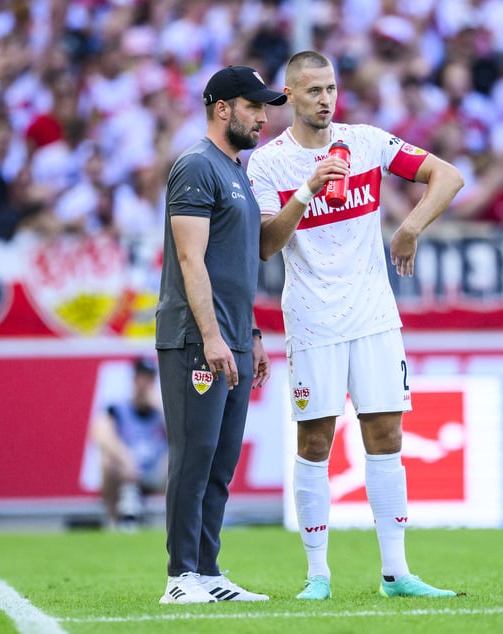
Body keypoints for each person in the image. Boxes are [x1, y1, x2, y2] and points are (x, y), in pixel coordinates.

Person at [248, 51, 465, 600]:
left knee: (386, 437)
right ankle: (317, 574)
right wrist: (309, 189)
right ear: (290, 96)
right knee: (316, 442)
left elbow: (449, 175)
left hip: (373, 315)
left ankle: (397, 573)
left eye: (331, 88)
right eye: (314, 90)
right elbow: (265, 245)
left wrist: (410, 227)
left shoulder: (366, 142)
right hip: (313, 320)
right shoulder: (268, 163)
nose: (325, 99)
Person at [154, 65, 280, 605]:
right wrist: (210, 335)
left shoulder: (236, 173)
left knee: (221, 463)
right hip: (195, 338)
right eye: (253, 106)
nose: (263, 117)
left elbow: (235, 265)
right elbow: (190, 259)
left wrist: (248, 330)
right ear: (222, 108)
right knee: (195, 455)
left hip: (231, 337)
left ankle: (207, 571)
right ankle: (180, 577)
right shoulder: (195, 167)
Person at [88, 357, 167, 531]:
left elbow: (180, 436)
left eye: (149, 378)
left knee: (179, 459)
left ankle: (182, 522)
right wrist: (124, 457)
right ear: (134, 379)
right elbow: (99, 433)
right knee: (106, 460)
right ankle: (112, 519)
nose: (145, 383)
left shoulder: (161, 410)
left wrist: (161, 408)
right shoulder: (118, 408)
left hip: (156, 469)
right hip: (126, 469)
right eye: (141, 377)